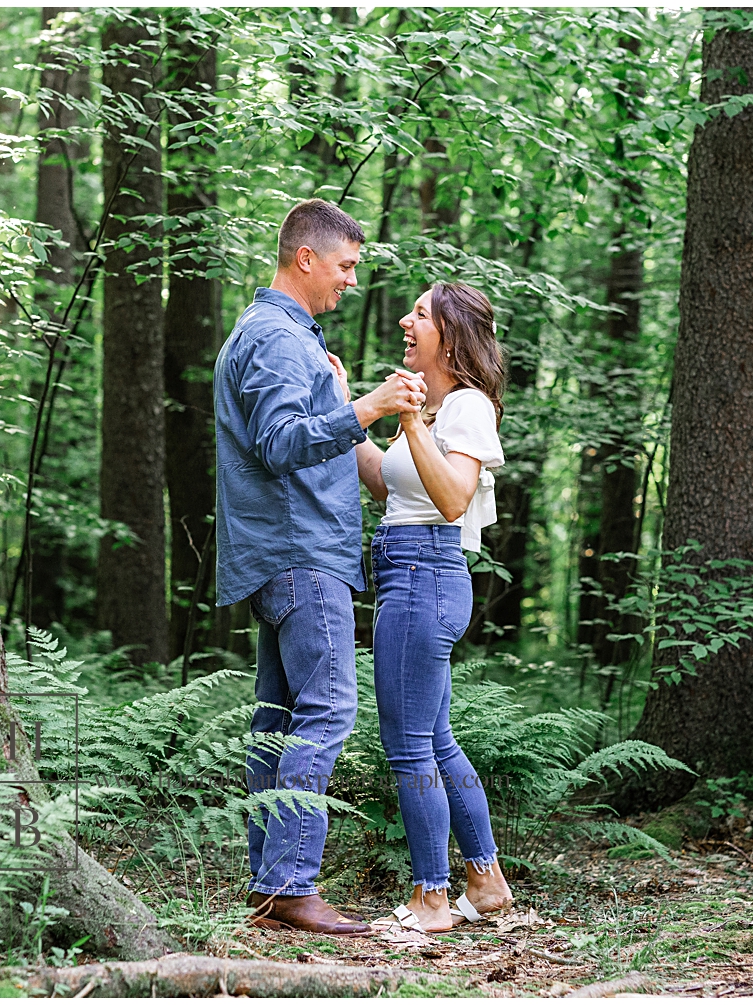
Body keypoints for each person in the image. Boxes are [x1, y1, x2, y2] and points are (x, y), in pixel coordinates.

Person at [214, 199, 426, 935]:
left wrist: (343, 403)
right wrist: (364, 406)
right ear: (305, 258)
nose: (350, 280)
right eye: (345, 266)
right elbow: (278, 443)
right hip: (300, 551)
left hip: (289, 550)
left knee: (275, 723)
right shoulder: (275, 337)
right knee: (328, 709)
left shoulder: (287, 335)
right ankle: (291, 881)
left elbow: (310, 436)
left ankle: (270, 885)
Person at [354, 282, 516, 933]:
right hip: (408, 567)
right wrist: (350, 411)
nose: (404, 320)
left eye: (419, 313)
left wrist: (413, 422)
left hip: (424, 573)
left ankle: (430, 899)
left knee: (408, 744)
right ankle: (486, 882)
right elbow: (386, 482)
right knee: (437, 739)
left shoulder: (467, 407)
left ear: (449, 335)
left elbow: (452, 498)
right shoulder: (439, 408)